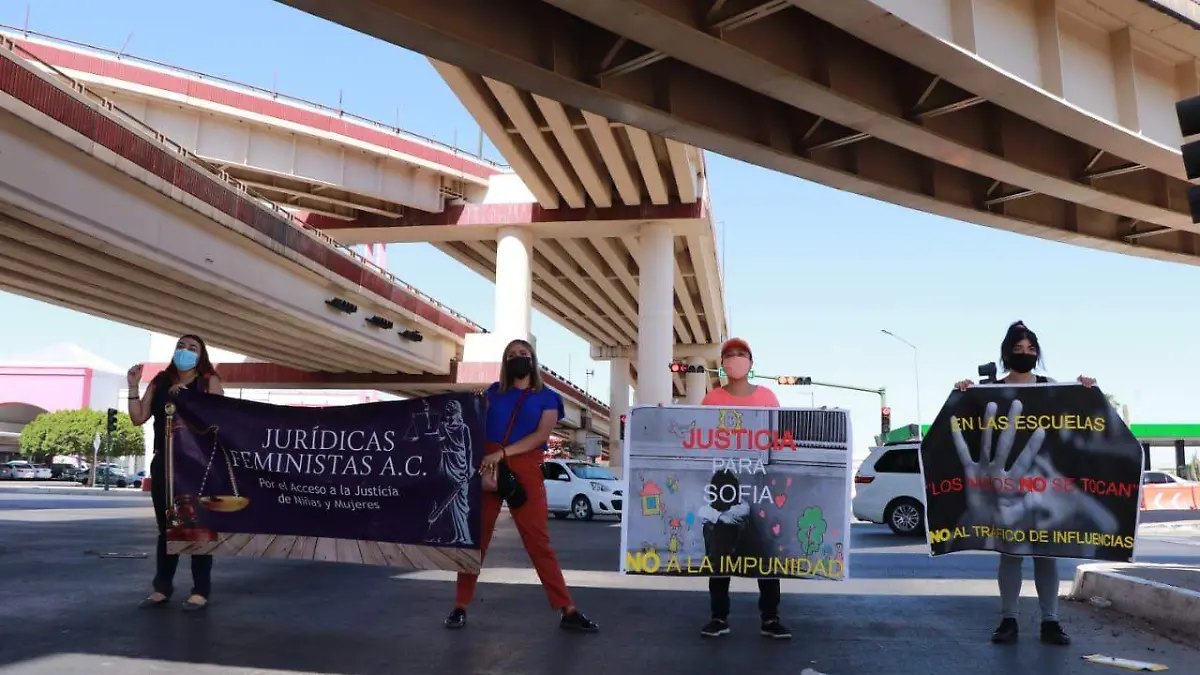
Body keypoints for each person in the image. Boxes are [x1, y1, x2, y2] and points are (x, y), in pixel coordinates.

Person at [954, 321, 1096, 646]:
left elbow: (1077, 417)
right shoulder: (989, 390)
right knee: (1011, 553)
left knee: (1047, 554)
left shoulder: (1050, 386)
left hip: (1045, 487)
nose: (1025, 354)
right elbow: (969, 422)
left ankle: (1051, 621)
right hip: (1006, 488)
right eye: (1018, 349)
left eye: (1031, 349)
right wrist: (963, 391)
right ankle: (1009, 619)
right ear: (1006, 354)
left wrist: (1086, 389)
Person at [443, 338, 598, 632]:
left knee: (538, 541)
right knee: (476, 539)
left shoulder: (548, 398)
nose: (518, 357)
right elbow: (471, 423)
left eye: (523, 353)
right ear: (505, 362)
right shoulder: (493, 393)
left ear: (533, 359)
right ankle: (460, 605)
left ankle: (567, 608)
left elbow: (541, 436)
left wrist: (502, 453)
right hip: (489, 463)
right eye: (512, 354)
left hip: (523, 465)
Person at [698, 337, 791, 639]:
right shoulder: (712, 400)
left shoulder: (767, 397)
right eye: (729, 354)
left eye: (741, 354)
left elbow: (778, 440)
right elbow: (700, 438)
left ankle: (770, 618)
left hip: (760, 482)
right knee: (720, 549)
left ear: (751, 363)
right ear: (723, 363)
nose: (735, 359)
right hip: (724, 483)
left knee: (764, 549)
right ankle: (718, 617)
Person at [126, 334, 225, 612]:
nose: (185, 351)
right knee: (166, 528)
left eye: (192, 348)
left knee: (199, 526)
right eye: (181, 346)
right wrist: (133, 386)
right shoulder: (160, 381)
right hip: (164, 464)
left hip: (196, 465)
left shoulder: (208, 381)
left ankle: (200, 590)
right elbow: (138, 417)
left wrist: (189, 400)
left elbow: (219, 418)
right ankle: (162, 588)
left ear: (201, 355)